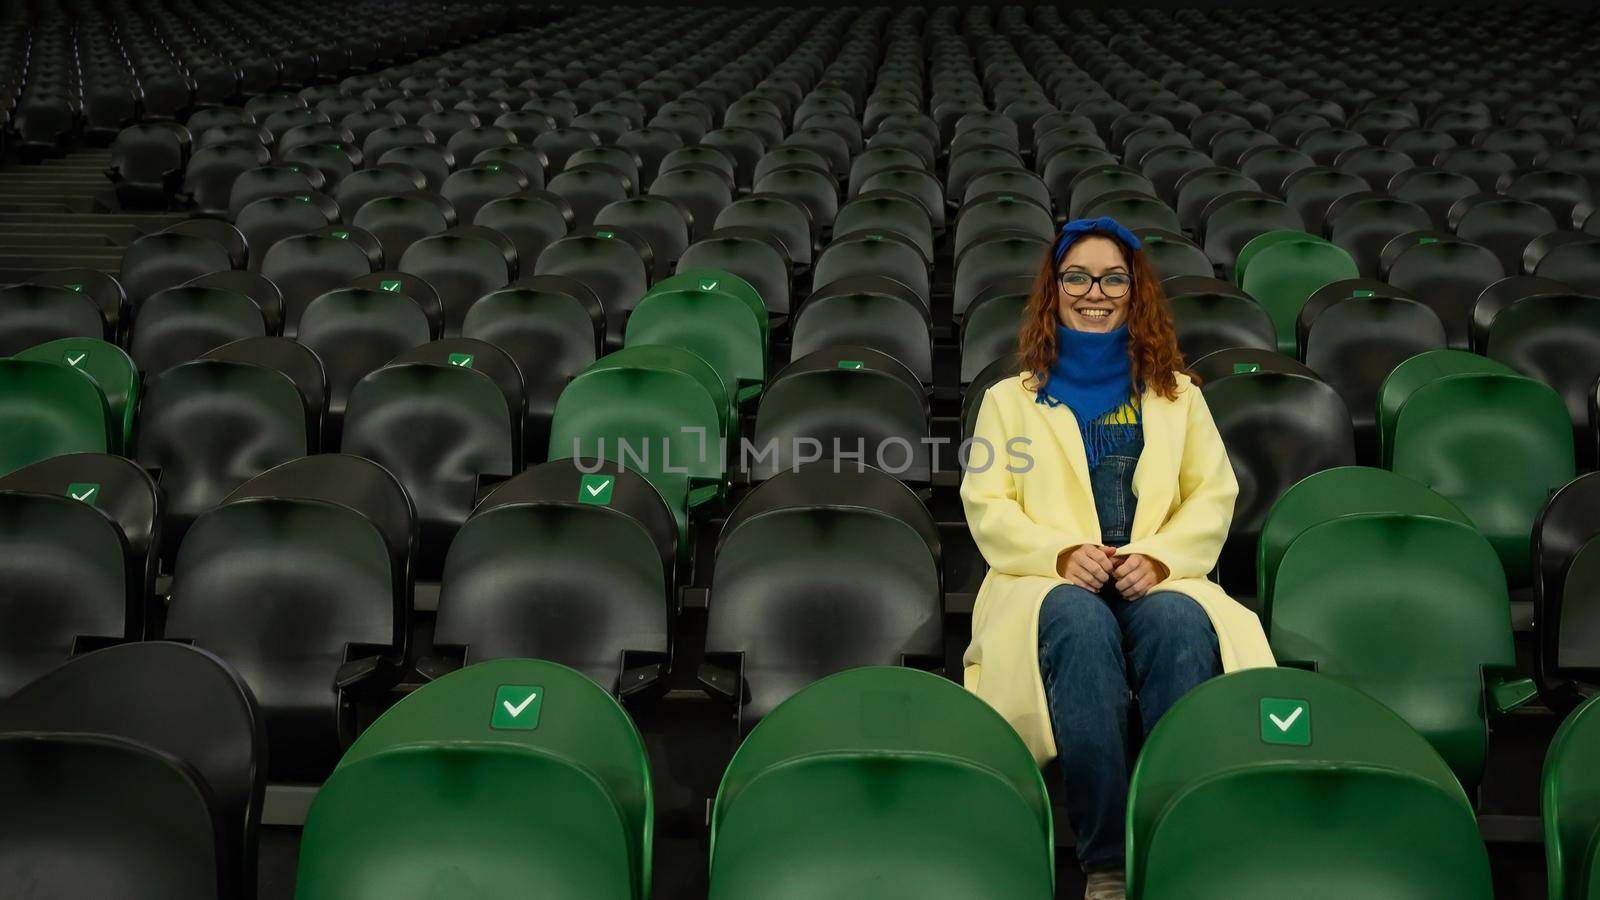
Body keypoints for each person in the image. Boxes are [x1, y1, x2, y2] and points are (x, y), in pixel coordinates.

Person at [959, 217, 1275, 900]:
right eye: (1077, 276)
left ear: (1135, 292)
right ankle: (1107, 864)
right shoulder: (1006, 403)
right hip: (1046, 584)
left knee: (1178, 626)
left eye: (1111, 278)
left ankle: (1177, 844)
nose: (1093, 292)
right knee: (1080, 624)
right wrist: (1060, 553)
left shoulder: (1178, 398)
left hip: (1154, 578)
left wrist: (1160, 559)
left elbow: (1212, 495)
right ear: (1055, 288)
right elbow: (986, 503)